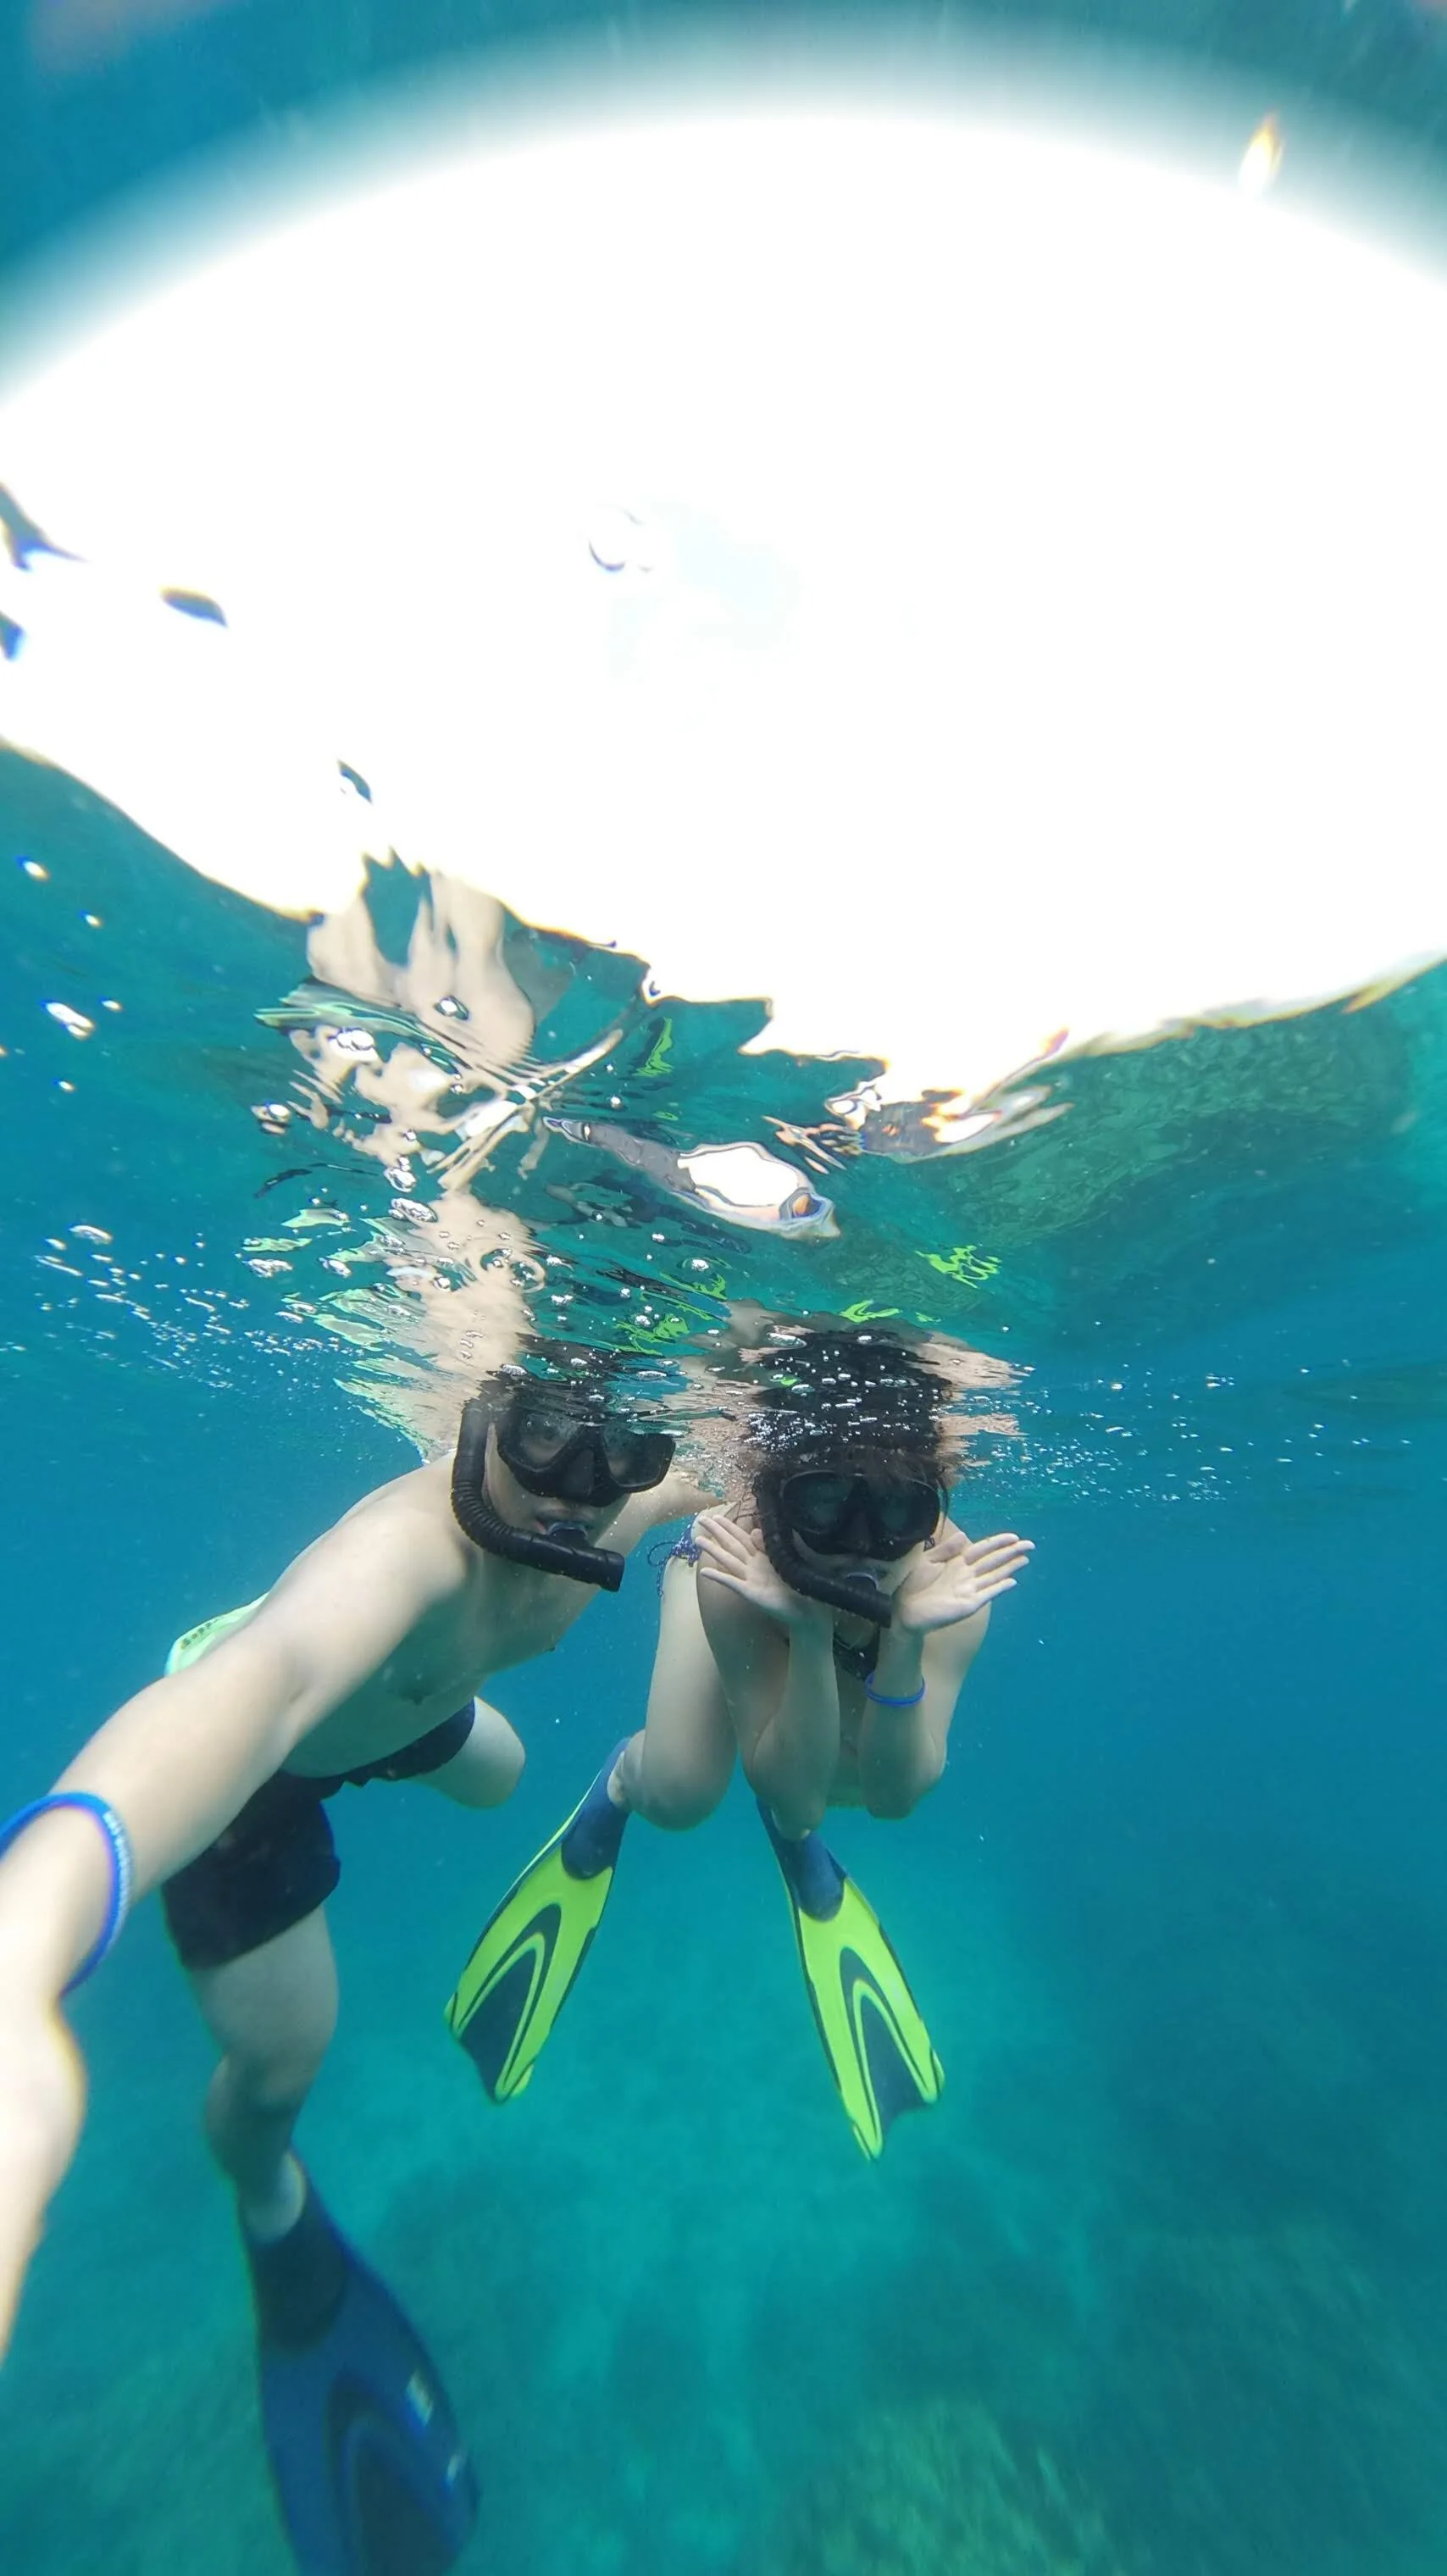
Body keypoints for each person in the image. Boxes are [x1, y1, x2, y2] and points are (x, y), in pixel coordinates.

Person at [0, 1355, 704, 2574]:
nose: (578, 1495)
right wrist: (26, 1947)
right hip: (265, 1768)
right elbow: (256, 1693)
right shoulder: (401, 1558)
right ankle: (266, 2191)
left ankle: (467, 1756)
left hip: (409, 1704)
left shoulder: (617, 1504)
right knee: (285, 2063)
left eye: (623, 1454)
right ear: (482, 1407)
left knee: (505, 1775)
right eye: (544, 1436)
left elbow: (715, 1477)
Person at [446, 1329, 1032, 2159]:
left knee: (843, 1790)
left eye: (898, 1510)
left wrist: (900, 1639)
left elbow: (898, 1797)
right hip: (743, 1586)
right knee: (681, 1796)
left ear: (931, 1510)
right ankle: (622, 1776)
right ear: (780, 1498)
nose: (863, 1544)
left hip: (834, 1667)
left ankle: (795, 1783)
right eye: (825, 1505)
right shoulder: (737, 1568)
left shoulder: (949, 1585)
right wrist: (793, 1619)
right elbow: (790, 1793)